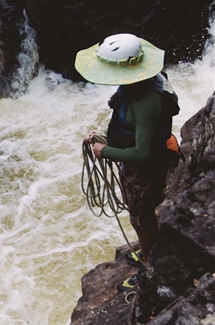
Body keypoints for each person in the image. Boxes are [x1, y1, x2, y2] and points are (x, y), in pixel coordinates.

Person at [75, 33, 180, 291]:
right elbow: (133, 130)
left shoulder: (146, 102)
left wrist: (105, 151)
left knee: (140, 218)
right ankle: (150, 248)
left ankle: (151, 269)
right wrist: (104, 136)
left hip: (146, 169)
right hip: (142, 160)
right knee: (143, 213)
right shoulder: (141, 84)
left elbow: (143, 154)